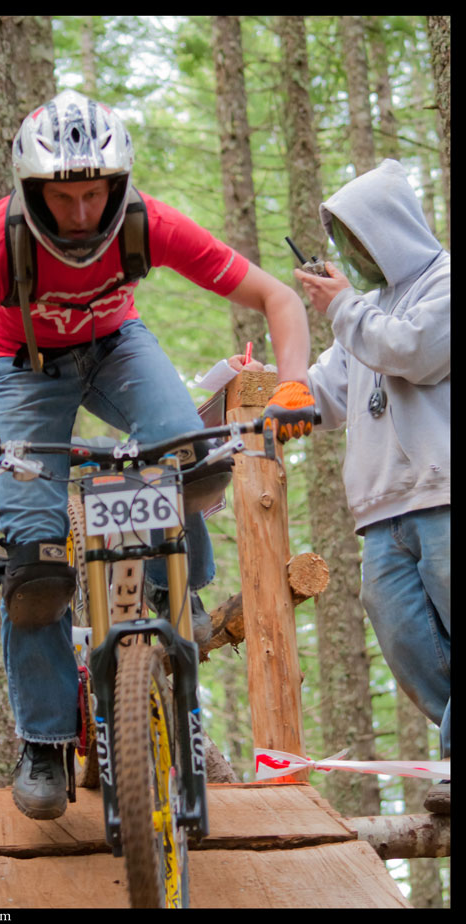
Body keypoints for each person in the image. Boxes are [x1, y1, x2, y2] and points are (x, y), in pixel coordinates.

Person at [0, 89, 316, 821]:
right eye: (62, 198)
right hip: (23, 368)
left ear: (117, 187)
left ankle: (179, 594)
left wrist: (292, 386)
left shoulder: (146, 224)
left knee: (190, 457)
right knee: (34, 564)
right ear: (32, 191)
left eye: (94, 194)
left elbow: (277, 298)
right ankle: (44, 740)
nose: (79, 215)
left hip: (118, 348)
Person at [231, 158, 450, 813]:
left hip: (444, 497)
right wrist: (266, 383)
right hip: (382, 514)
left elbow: (414, 350)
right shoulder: (361, 312)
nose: (350, 257)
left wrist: (343, 308)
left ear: (387, 232)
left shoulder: (443, 281)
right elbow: (322, 393)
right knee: (408, 644)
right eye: (344, 245)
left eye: (357, 241)